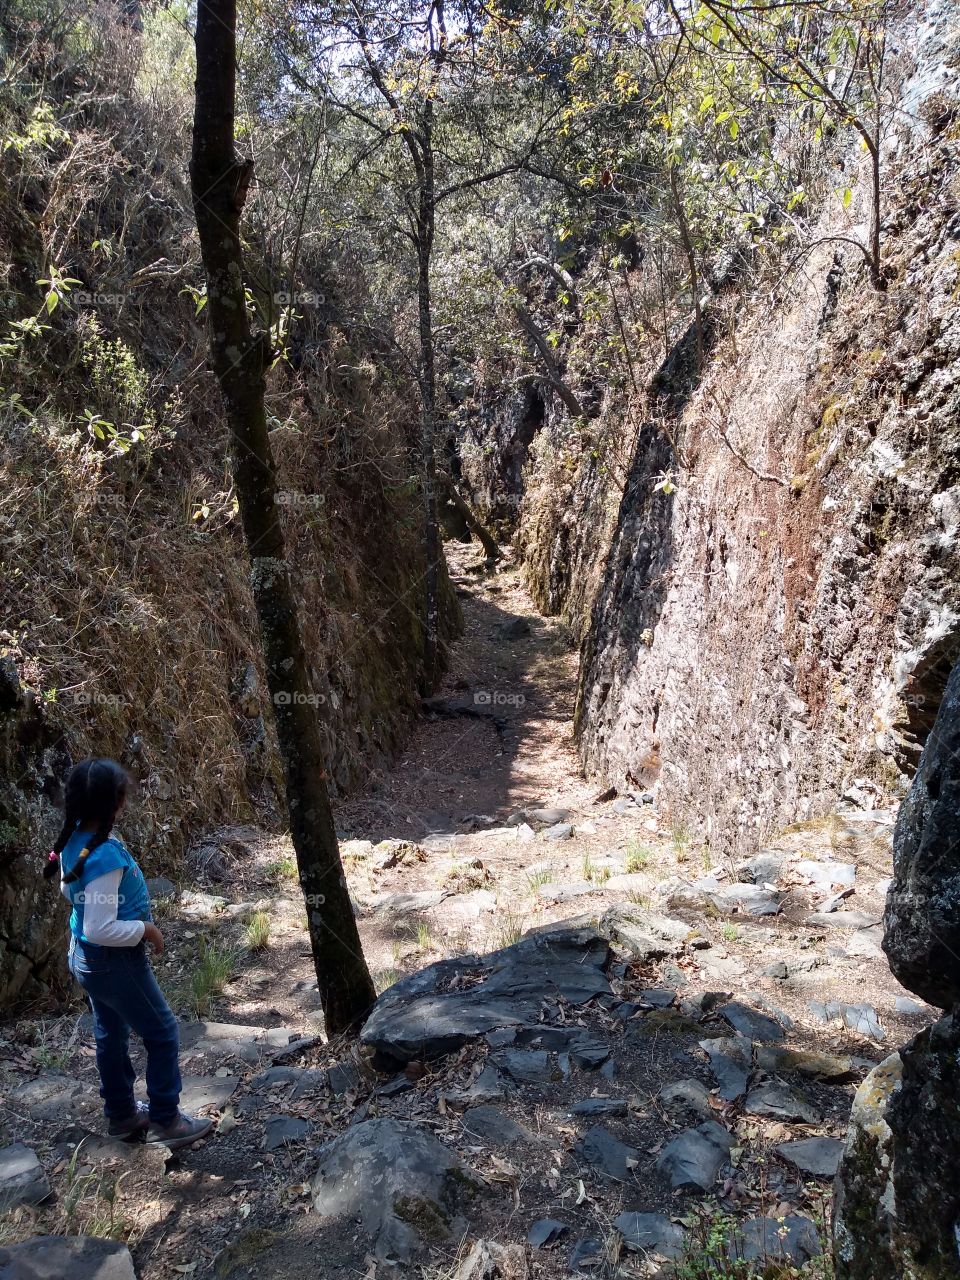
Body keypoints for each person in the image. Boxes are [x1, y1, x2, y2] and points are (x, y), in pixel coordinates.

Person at [44, 757, 212, 1151]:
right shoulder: (103, 857)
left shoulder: (75, 840)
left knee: (111, 1032)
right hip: (113, 962)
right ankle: (166, 1119)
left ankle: (121, 1114)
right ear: (116, 803)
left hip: (86, 958)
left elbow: (69, 893)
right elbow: (99, 928)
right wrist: (146, 930)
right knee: (163, 1031)